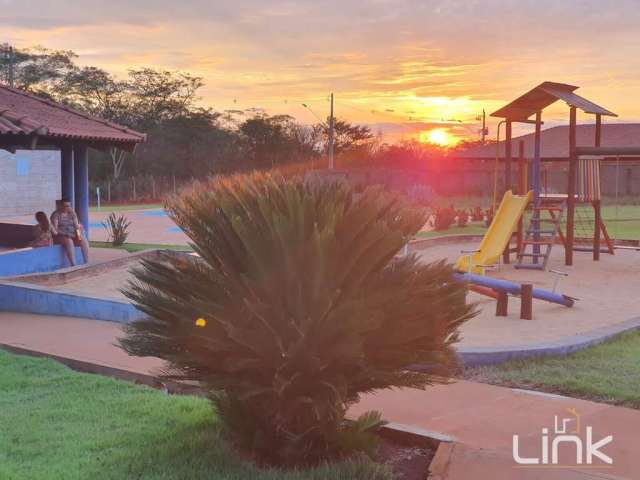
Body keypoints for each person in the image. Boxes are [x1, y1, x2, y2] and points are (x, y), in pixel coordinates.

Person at [51, 199, 89, 266]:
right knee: (69, 241)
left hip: (72, 234)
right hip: (60, 235)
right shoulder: (56, 215)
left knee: (83, 240)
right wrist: (66, 234)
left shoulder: (72, 213)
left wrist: (79, 235)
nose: (67, 208)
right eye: (65, 206)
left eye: (68, 206)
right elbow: (55, 229)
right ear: (61, 206)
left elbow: (76, 226)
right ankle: (73, 264)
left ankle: (86, 262)